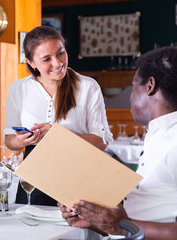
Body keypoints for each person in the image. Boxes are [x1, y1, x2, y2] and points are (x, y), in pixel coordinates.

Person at [59, 47, 177, 239]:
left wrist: (123, 225)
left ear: (150, 86)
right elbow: (144, 214)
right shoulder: (158, 135)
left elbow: (126, 225)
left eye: (133, 86)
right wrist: (93, 221)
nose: (130, 97)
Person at [3, 26, 113, 206]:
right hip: (34, 174)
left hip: (79, 172)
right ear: (31, 62)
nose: (57, 63)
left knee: (75, 230)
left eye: (60, 53)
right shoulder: (18, 88)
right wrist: (23, 140)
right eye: (46, 59)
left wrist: (58, 136)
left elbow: (102, 141)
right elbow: (9, 141)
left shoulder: (87, 86)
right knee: (31, 230)